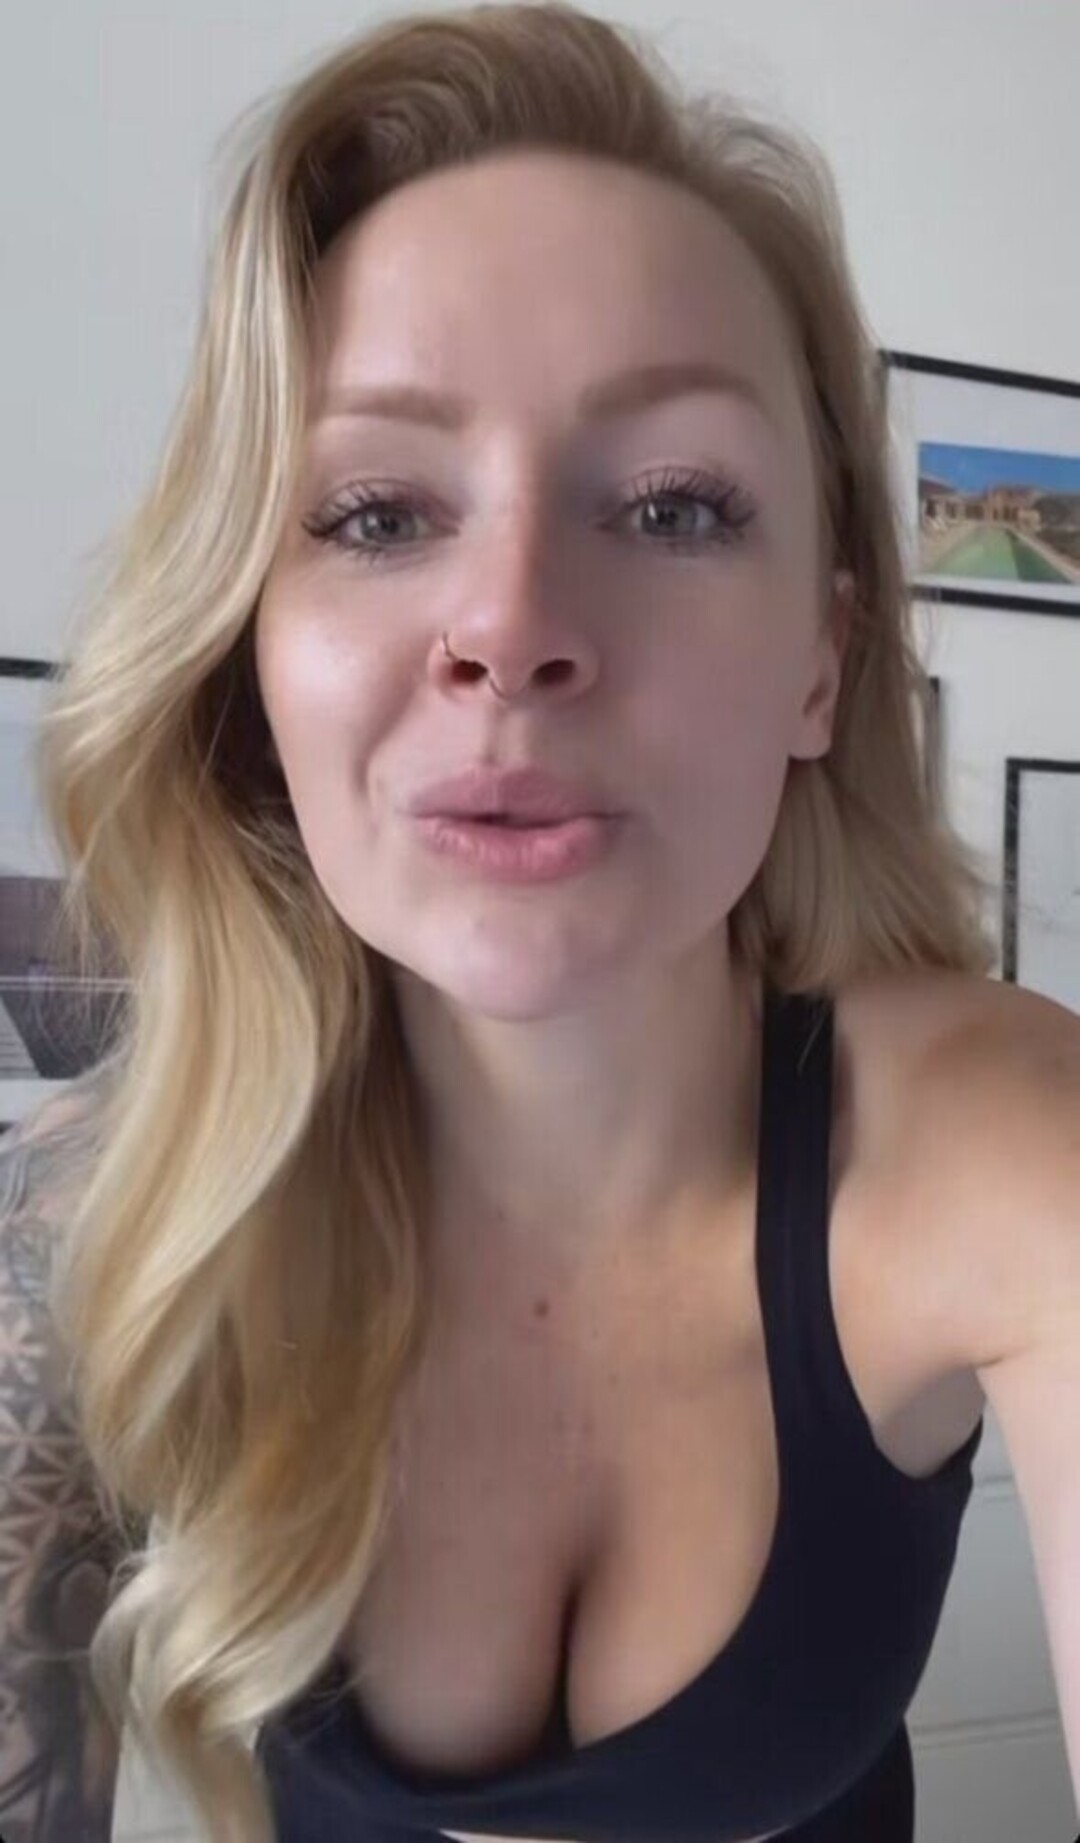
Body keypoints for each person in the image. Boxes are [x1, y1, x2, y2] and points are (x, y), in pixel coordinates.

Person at [11, 5, 1075, 1842]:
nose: (509, 628)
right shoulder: (84, 1222)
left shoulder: (1007, 1141)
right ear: (247, 646)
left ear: (824, 660)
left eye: (672, 504)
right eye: (374, 511)